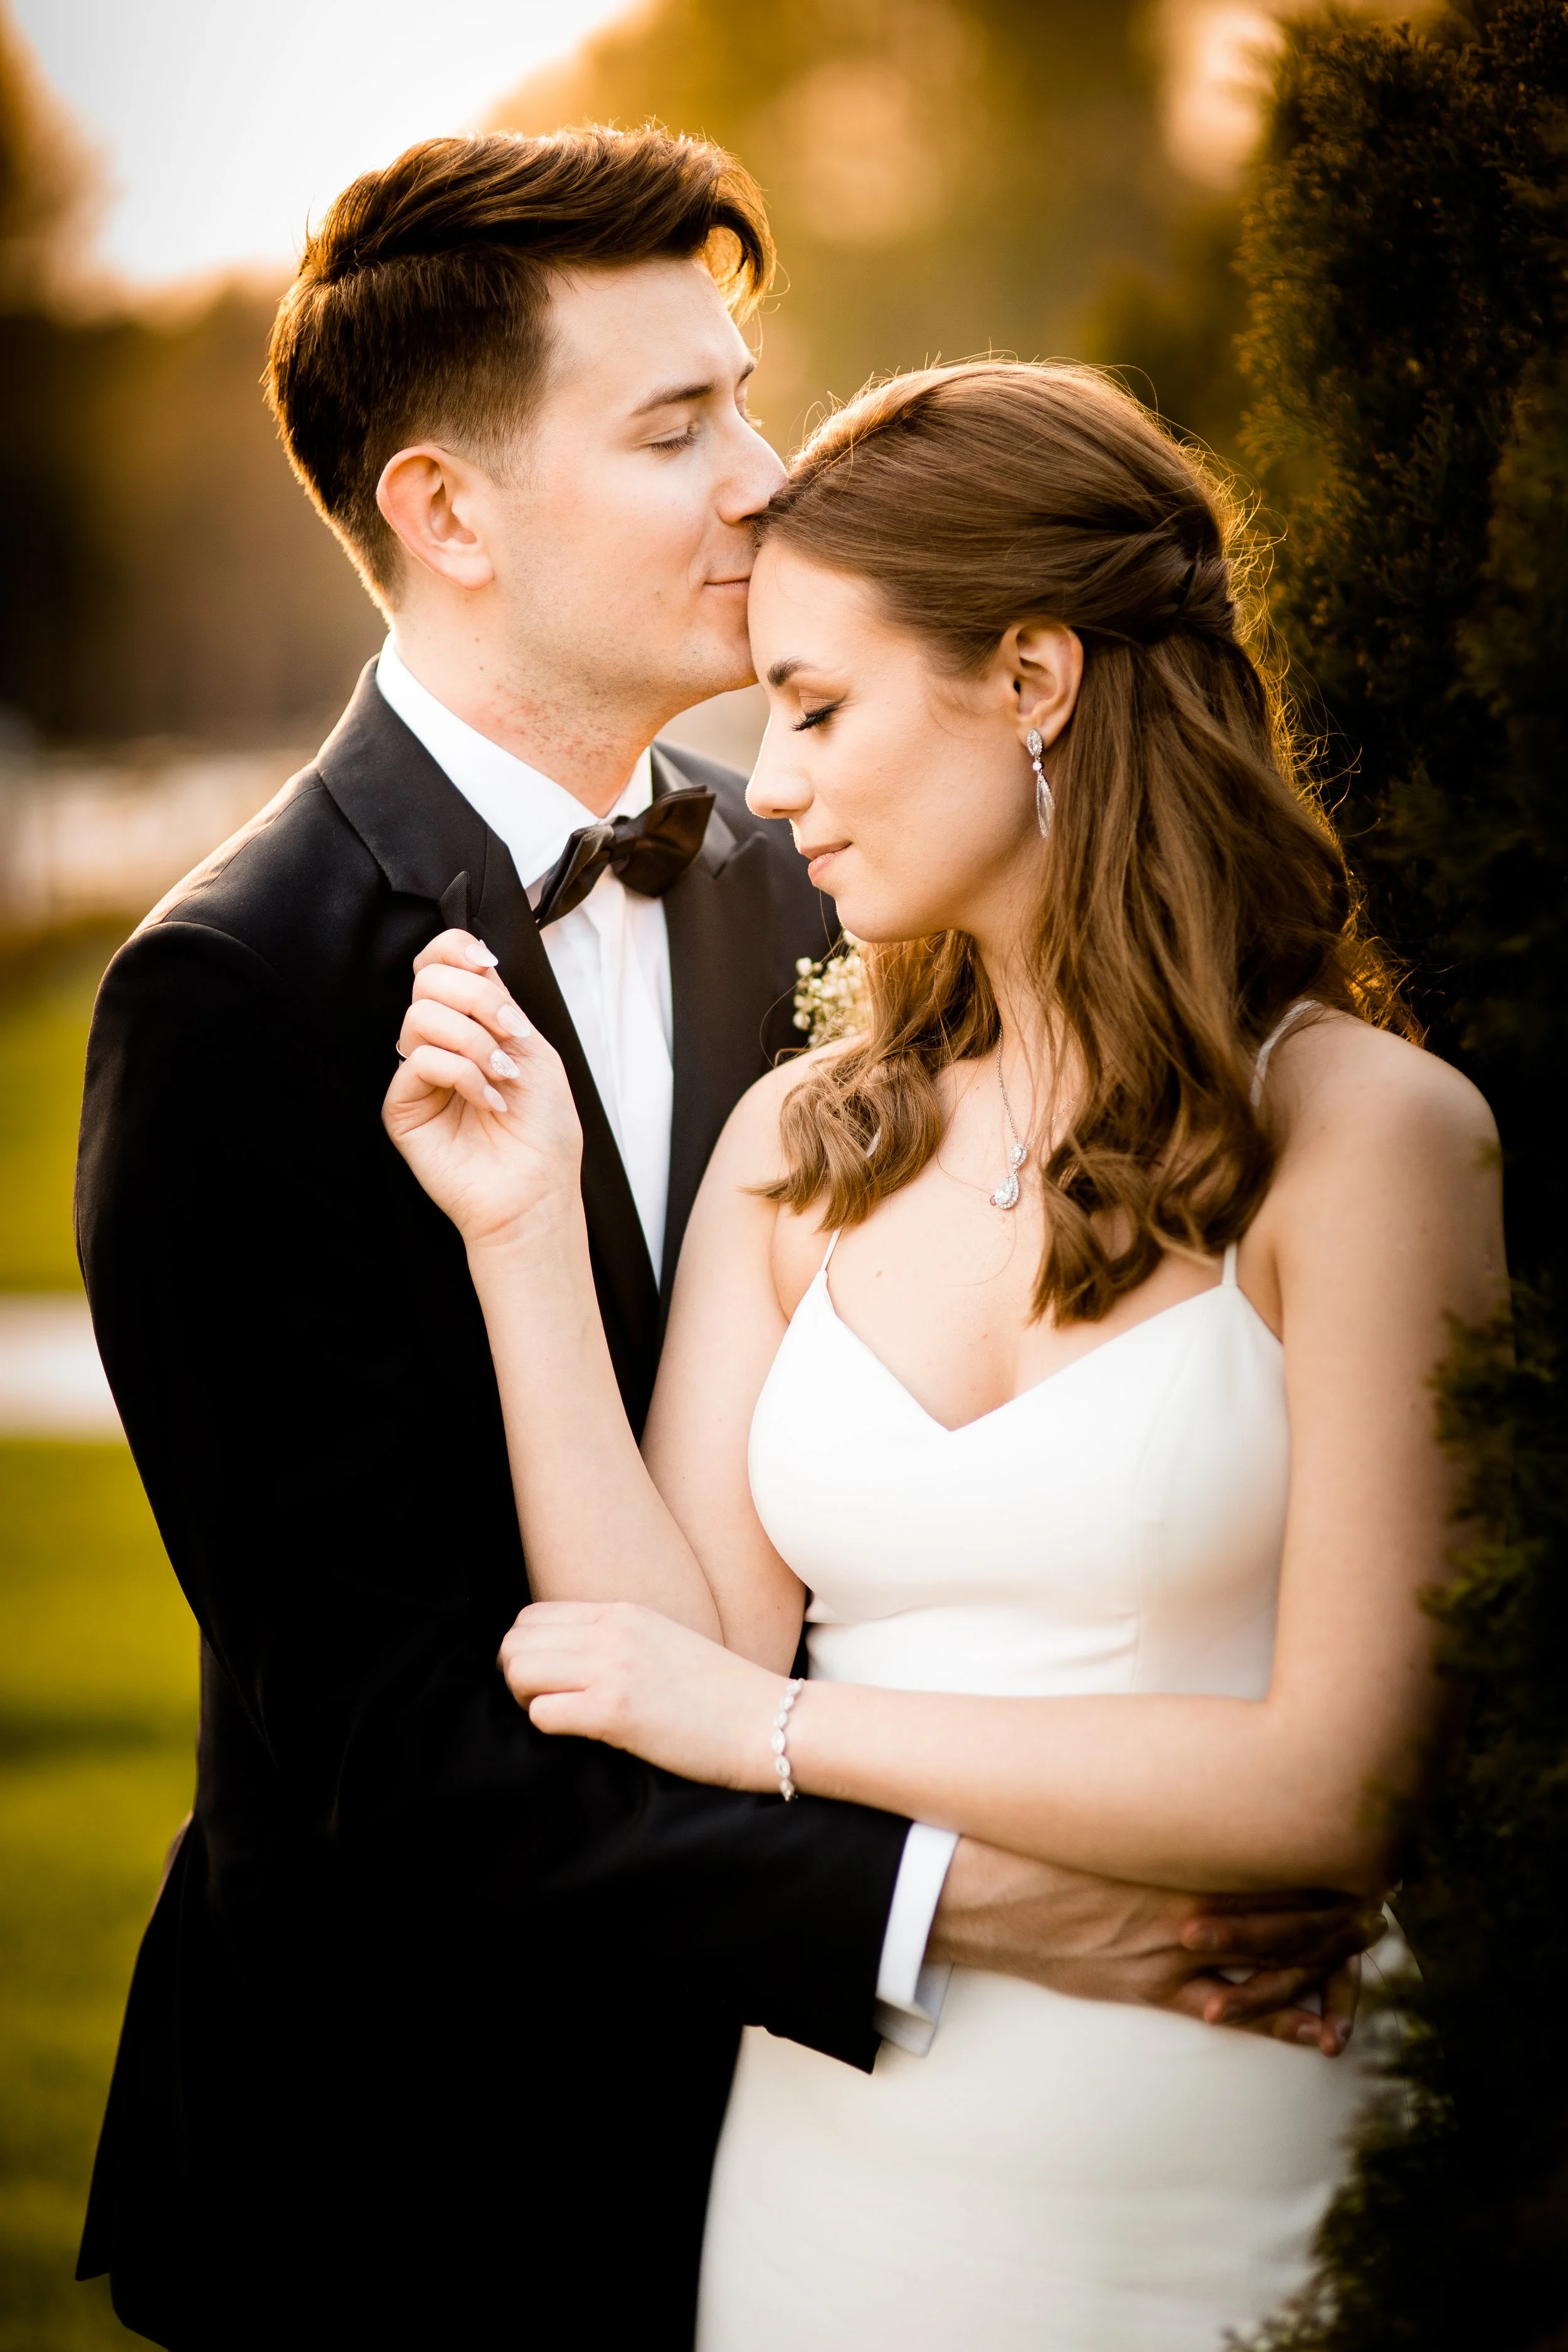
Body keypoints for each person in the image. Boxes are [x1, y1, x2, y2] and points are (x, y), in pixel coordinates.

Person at [75, 129, 1374, 2349]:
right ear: (447, 510)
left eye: (746, 401)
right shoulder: (238, 994)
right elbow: (386, 1740)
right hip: (429, 2162)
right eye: (678, 429)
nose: (762, 484)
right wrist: (965, 1912)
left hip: (840, 2130)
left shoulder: (834, 869)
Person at [384, 359, 1504, 2348]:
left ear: (1034, 677)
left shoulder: (1373, 1139)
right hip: (841, 2173)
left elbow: (1334, 1786)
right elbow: (668, 1657)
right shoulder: (801, 1144)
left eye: (817, 705)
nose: (775, 780)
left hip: (1239, 2155)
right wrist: (523, 1233)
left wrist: (786, 1736)